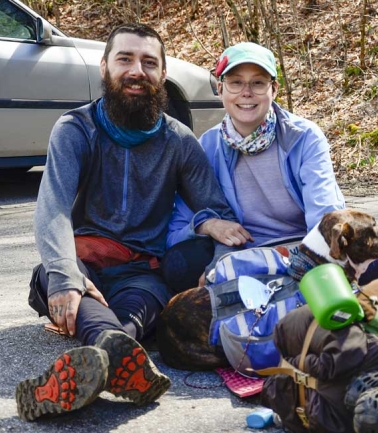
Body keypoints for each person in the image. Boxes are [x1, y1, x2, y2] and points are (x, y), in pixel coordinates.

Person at [16, 23, 243, 421]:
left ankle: (101, 358)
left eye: (148, 62)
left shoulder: (179, 141)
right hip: (82, 266)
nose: (137, 70)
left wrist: (212, 245)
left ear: (162, 76)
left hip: (142, 273)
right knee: (50, 276)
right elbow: (51, 208)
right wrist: (67, 274)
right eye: (125, 59)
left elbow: (216, 212)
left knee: (142, 306)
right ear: (104, 67)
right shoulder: (76, 130)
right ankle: (118, 355)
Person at [162, 42, 378, 291]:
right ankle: (274, 285)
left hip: (304, 246)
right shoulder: (208, 145)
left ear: (273, 89)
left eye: (257, 83)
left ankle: (263, 284)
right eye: (235, 82)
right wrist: (208, 225)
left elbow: (325, 215)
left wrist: (299, 259)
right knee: (177, 265)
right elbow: (178, 226)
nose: (246, 92)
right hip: (245, 250)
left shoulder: (304, 137)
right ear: (220, 89)